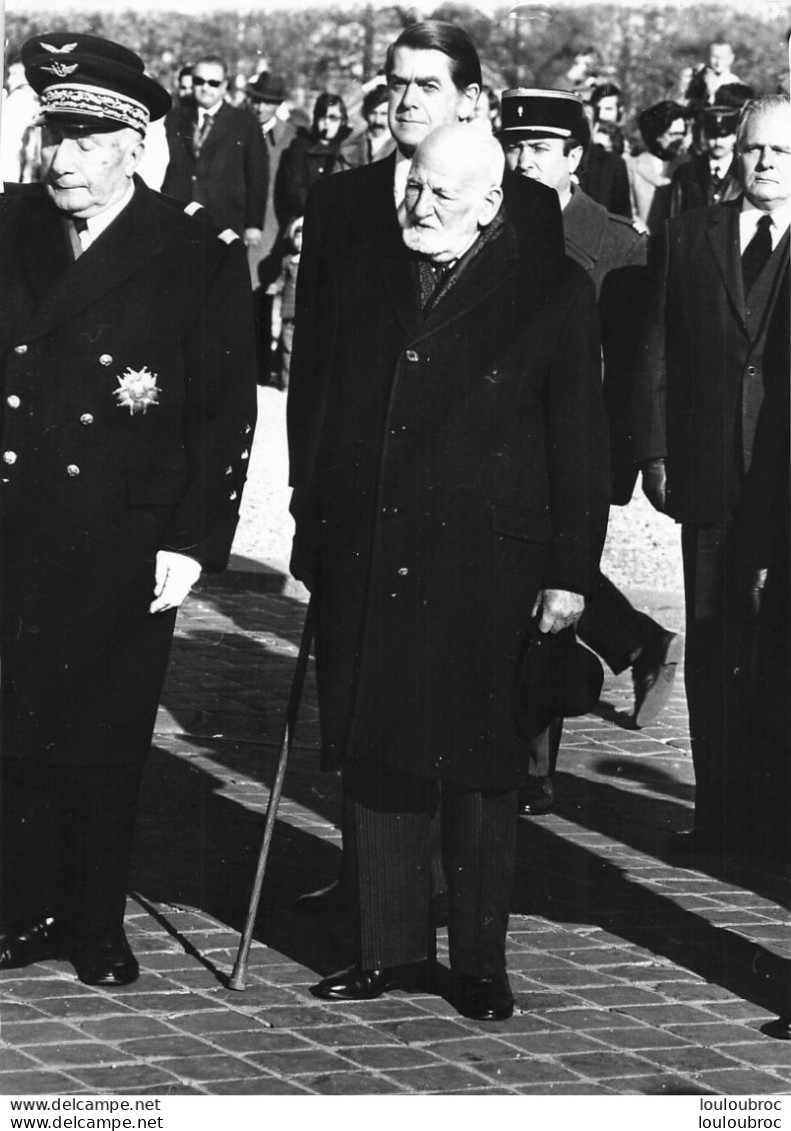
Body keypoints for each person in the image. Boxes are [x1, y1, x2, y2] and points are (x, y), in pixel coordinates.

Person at [297, 124, 609, 1019]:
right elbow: (326, 411)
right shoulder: (366, 269)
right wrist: (314, 534)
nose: (418, 208)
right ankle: (387, 948)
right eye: (411, 189)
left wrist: (569, 573)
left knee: (479, 766)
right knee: (376, 747)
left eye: (439, 196)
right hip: (374, 548)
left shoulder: (551, 289)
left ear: (490, 204)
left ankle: (478, 961)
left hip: (489, 565)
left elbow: (578, 448)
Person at [287, 20, 564, 914]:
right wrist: (308, 500)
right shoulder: (341, 202)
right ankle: (379, 895)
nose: (407, 101)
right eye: (396, 84)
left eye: (429, 85)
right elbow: (317, 375)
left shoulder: (521, 204)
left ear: (472, 100)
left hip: (473, 513)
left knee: (467, 712)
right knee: (370, 703)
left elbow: (541, 373)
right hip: (370, 503)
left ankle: (460, 899)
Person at [0, 32, 258, 986]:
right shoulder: (10, 225)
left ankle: (95, 920)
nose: (63, 158)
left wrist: (194, 540)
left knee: (103, 732)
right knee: (15, 721)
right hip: (15, 518)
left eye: (85, 140)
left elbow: (224, 408)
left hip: (122, 533)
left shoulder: (192, 248)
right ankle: (23, 906)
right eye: (52, 135)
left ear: (133, 142)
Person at [500, 88, 682, 816]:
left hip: (570, 447)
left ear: (575, 158)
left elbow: (635, 367)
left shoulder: (615, 246)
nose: (523, 160)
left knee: (544, 596)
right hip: (500, 442)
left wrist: (631, 461)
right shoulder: (483, 218)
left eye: (540, 148)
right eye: (514, 146)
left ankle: (532, 768)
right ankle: (634, 642)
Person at [635, 95, 790, 857]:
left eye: (780, 153)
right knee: (716, 643)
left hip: (785, 478)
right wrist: (655, 451)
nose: (763, 164)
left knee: (779, 652)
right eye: (753, 149)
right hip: (711, 475)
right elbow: (655, 349)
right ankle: (721, 816)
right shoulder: (688, 234)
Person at [162, 53, 267, 248]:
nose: (205, 88)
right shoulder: (175, 119)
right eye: (199, 81)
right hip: (179, 217)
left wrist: (254, 223)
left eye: (213, 83)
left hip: (224, 221)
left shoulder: (244, 122)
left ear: (225, 86)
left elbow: (257, 176)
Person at [274, 92, 352, 227]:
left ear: (342, 121)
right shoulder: (300, 147)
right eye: (322, 116)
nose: (326, 122)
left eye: (333, 118)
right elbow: (295, 188)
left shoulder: (349, 147)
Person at [626, 100, 690, 231]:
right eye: (673, 134)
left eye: (682, 134)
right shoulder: (632, 166)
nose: (679, 140)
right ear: (656, 135)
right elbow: (629, 211)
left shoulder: (688, 165)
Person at [670, 104, 741, 215]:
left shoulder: (743, 174)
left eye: (724, 135)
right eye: (713, 135)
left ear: (734, 136)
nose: (718, 142)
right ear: (706, 136)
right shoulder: (685, 174)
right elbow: (673, 220)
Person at [266, 216, 303, 390]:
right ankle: (286, 382)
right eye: (298, 236)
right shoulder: (288, 261)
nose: (301, 242)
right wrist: (275, 286)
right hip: (289, 310)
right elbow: (282, 279)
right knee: (288, 346)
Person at [340, 81, 396, 167]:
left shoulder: (403, 147)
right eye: (373, 113)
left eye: (383, 114)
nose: (377, 121)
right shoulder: (349, 148)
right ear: (365, 113)